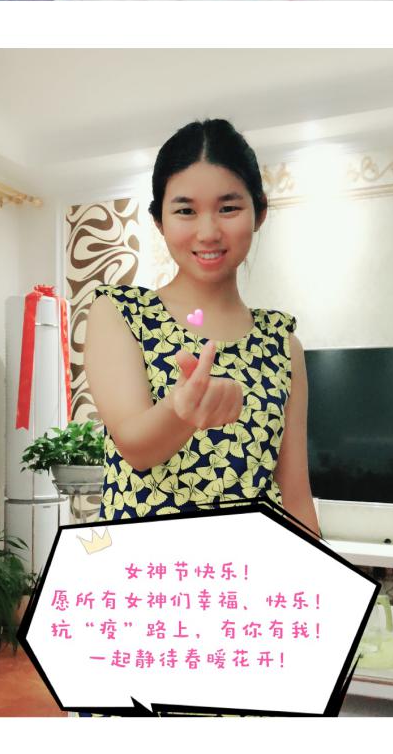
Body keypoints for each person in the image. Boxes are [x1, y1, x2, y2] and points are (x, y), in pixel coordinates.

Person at [84, 116, 320, 535]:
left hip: (249, 570)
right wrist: (182, 411)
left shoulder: (283, 344)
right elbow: (135, 447)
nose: (208, 232)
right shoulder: (120, 313)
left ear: (259, 212)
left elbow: (296, 495)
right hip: (148, 570)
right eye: (185, 211)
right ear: (159, 221)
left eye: (228, 208)